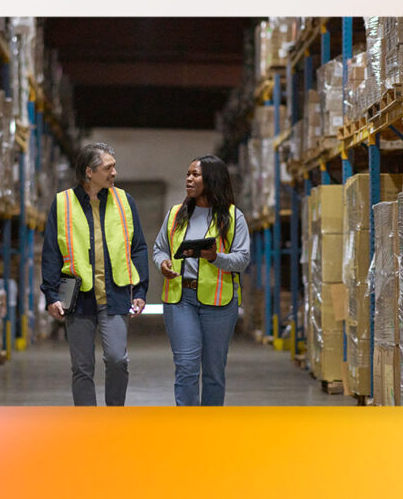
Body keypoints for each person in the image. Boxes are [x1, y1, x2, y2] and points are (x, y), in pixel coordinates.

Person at [41, 142, 149, 406]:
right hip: (74, 291)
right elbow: (52, 252)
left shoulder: (125, 201)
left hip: (116, 291)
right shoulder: (62, 202)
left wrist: (141, 290)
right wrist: (51, 294)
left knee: (117, 359)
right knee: (81, 366)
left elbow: (139, 248)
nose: (114, 173)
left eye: (114, 167)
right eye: (108, 167)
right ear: (90, 172)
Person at [153, 155, 250, 406]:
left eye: (195, 174)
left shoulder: (232, 217)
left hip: (219, 303)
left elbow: (242, 259)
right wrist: (162, 263)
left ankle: (209, 429)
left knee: (214, 372)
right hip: (180, 299)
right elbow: (159, 249)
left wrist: (215, 257)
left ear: (212, 179)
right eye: (188, 174)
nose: (189, 179)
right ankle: (188, 429)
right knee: (186, 366)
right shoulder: (176, 214)